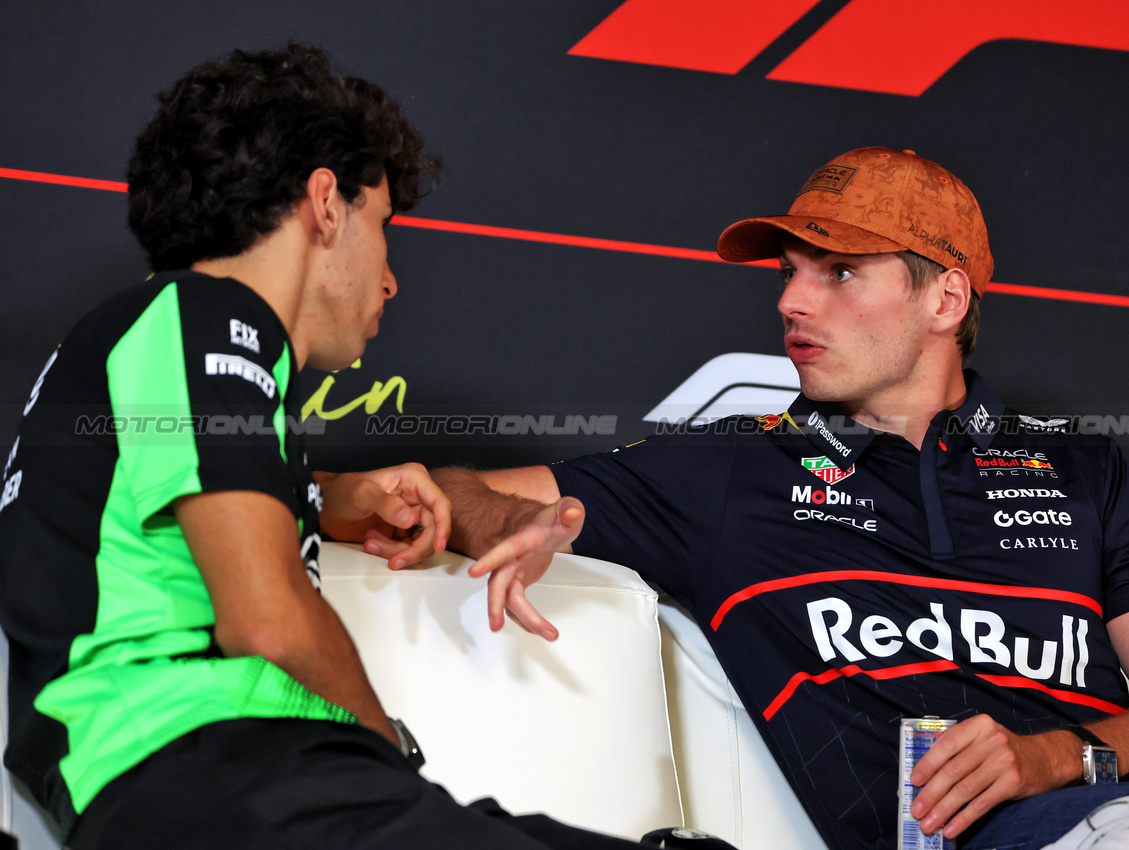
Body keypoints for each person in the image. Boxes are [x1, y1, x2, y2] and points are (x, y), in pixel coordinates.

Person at [410, 148, 1129, 850]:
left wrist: (1054, 757)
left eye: (841, 272)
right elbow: (436, 492)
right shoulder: (729, 468)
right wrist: (509, 519)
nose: (790, 301)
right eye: (791, 273)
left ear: (945, 298)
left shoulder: (1081, 470)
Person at [0, 43, 648, 850]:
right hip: (216, 770)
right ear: (325, 204)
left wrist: (337, 497)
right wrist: (391, 755)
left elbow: (156, 497)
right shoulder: (202, 314)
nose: (390, 279)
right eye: (383, 226)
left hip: (213, 780)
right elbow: (267, 620)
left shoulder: (158, 337)